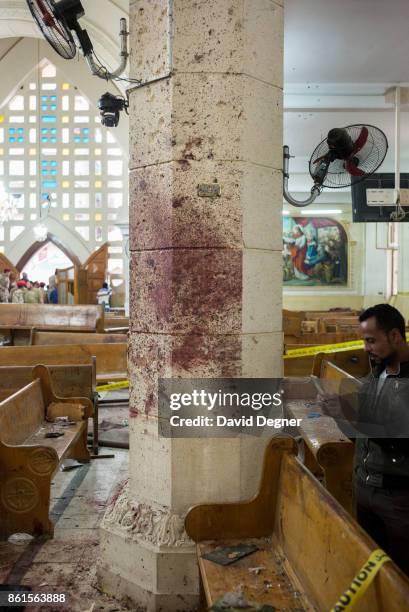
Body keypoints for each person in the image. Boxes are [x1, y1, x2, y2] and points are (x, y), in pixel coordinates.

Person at [333, 304, 409, 575]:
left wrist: (352, 420)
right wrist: (340, 412)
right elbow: (362, 435)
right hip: (365, 487)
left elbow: (399, 440)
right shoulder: (378, 371)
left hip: (398, 496)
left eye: (371, 340)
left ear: (395, 336)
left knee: (400, 578)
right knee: (373, 573)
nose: (366, 348)